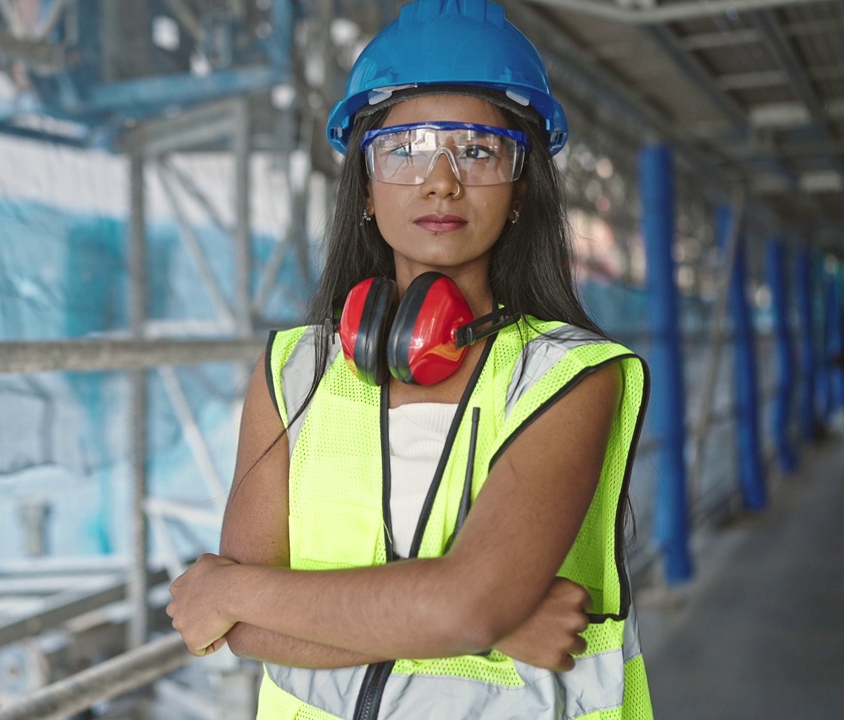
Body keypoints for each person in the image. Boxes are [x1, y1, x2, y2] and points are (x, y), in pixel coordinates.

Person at [165, 0, 653, 718]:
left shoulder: (573, 377)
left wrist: (228, 588)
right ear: (364, 185)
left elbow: (465, 606)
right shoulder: (293, 370)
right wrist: (484, 621)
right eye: (406, 149)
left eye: (478, 150)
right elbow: (248, 636)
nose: (440, 180)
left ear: (521, 188)